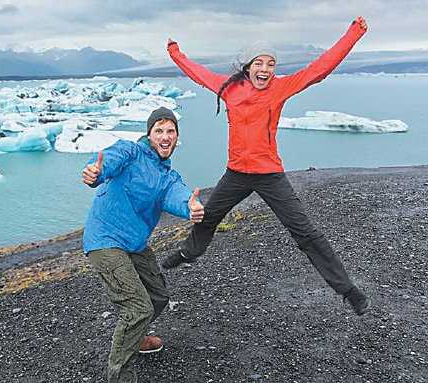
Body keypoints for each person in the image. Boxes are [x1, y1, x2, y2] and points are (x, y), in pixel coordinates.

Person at [161, 17, 371, 316]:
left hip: (269, 173)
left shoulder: (280, 88)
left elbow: (320, 68)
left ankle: (349, 291)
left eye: (270, 64)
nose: (265, 69)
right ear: (248, 66)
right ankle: (189, 252)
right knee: (207, 216)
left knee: (305, 233)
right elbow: (198, 73)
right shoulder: (229, 88)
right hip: (236, 173)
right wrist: (175, 52)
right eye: (259, 62)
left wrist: (354, 33)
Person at [82, 107, 205, 383]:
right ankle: (121, 378)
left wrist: (191, 206)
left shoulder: (167, 175)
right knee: (137, 309)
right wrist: (96, 171)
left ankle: (135, 337)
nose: (165, 135)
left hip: (133, 243)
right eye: (159, 130)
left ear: (175, 138)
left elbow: (178, 195)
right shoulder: (131, 152)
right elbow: (109, 160)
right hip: (104, 239)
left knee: (158, 296)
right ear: (149, 135)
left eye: (170, 131)